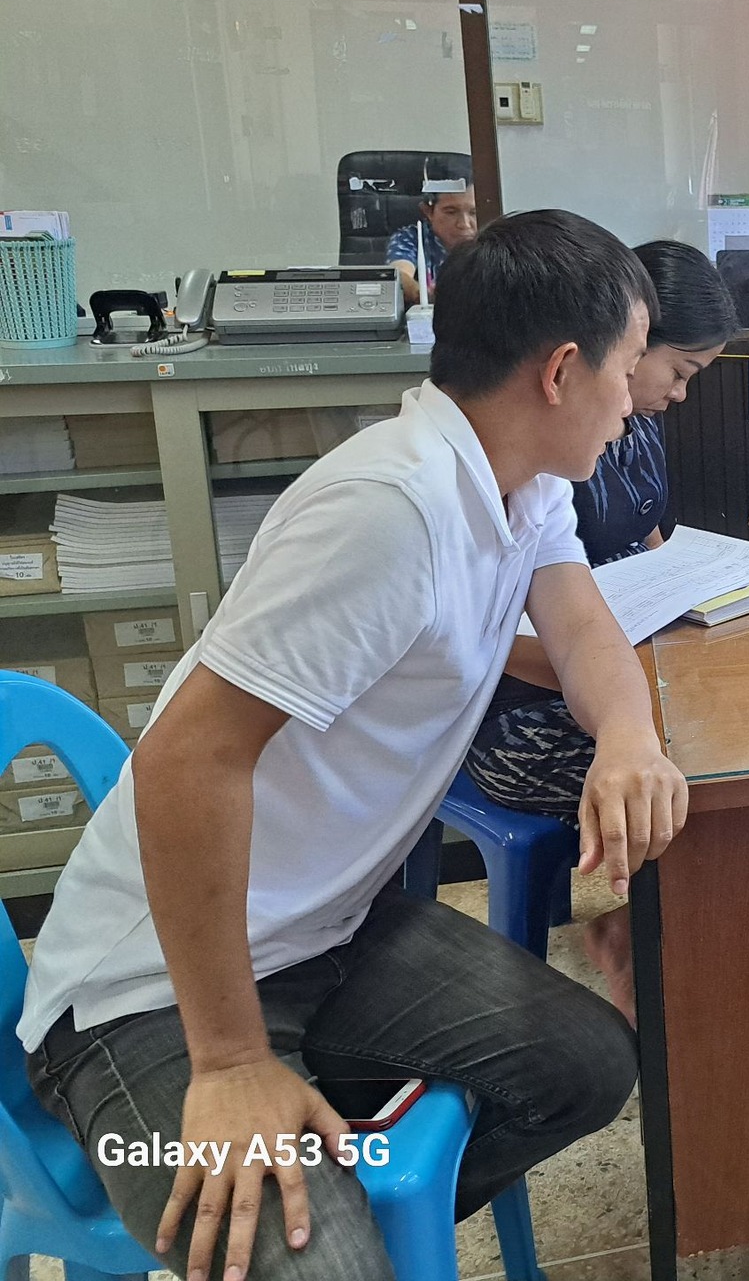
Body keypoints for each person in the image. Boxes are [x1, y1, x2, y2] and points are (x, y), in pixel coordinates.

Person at [20, 209, 687, 1281]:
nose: (636, 397)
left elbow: (582, 631)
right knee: (315, 1263)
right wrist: (229, 1061)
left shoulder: (522, 481)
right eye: (629, 365)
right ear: (562, 372)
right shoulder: (389, 510)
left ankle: (365, 1226)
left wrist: (627, 737)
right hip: (156, 993)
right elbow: (187, 760)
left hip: (324, 934)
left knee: (584, 1069)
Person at [465, 238, 737, 1016]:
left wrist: (691, 595)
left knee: (726, 734)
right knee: (708, 772)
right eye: (676, 371)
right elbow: (499, 640)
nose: (677, 394)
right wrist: (638, 666)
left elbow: (649, 542)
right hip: (521, 708)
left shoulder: (631, 423)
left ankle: (672, 939)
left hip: (618, 662)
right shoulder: (544, 450)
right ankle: (640, 941)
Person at [386, 175, 478, 306]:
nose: (464, 224)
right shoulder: (412, 237)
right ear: (428, 211)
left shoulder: (492, 240)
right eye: (451, 212)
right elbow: (399, 275)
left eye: (473, 213)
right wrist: (423, 295)